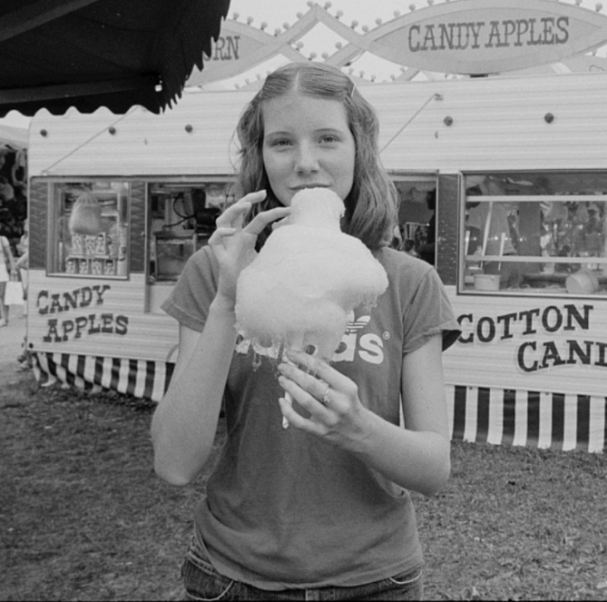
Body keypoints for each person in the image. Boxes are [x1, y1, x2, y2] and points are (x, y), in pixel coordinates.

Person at [150, 62, 460, 600]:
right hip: (231, 575)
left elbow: (433, 468)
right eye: (282, 143)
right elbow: (175, 463)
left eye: (327, 139)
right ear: (261, 157)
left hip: (375, 579)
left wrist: (359, 427)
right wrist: (228, 298)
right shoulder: (217, 270)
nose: (305, 163)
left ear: (360, 148)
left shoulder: (410, 282)